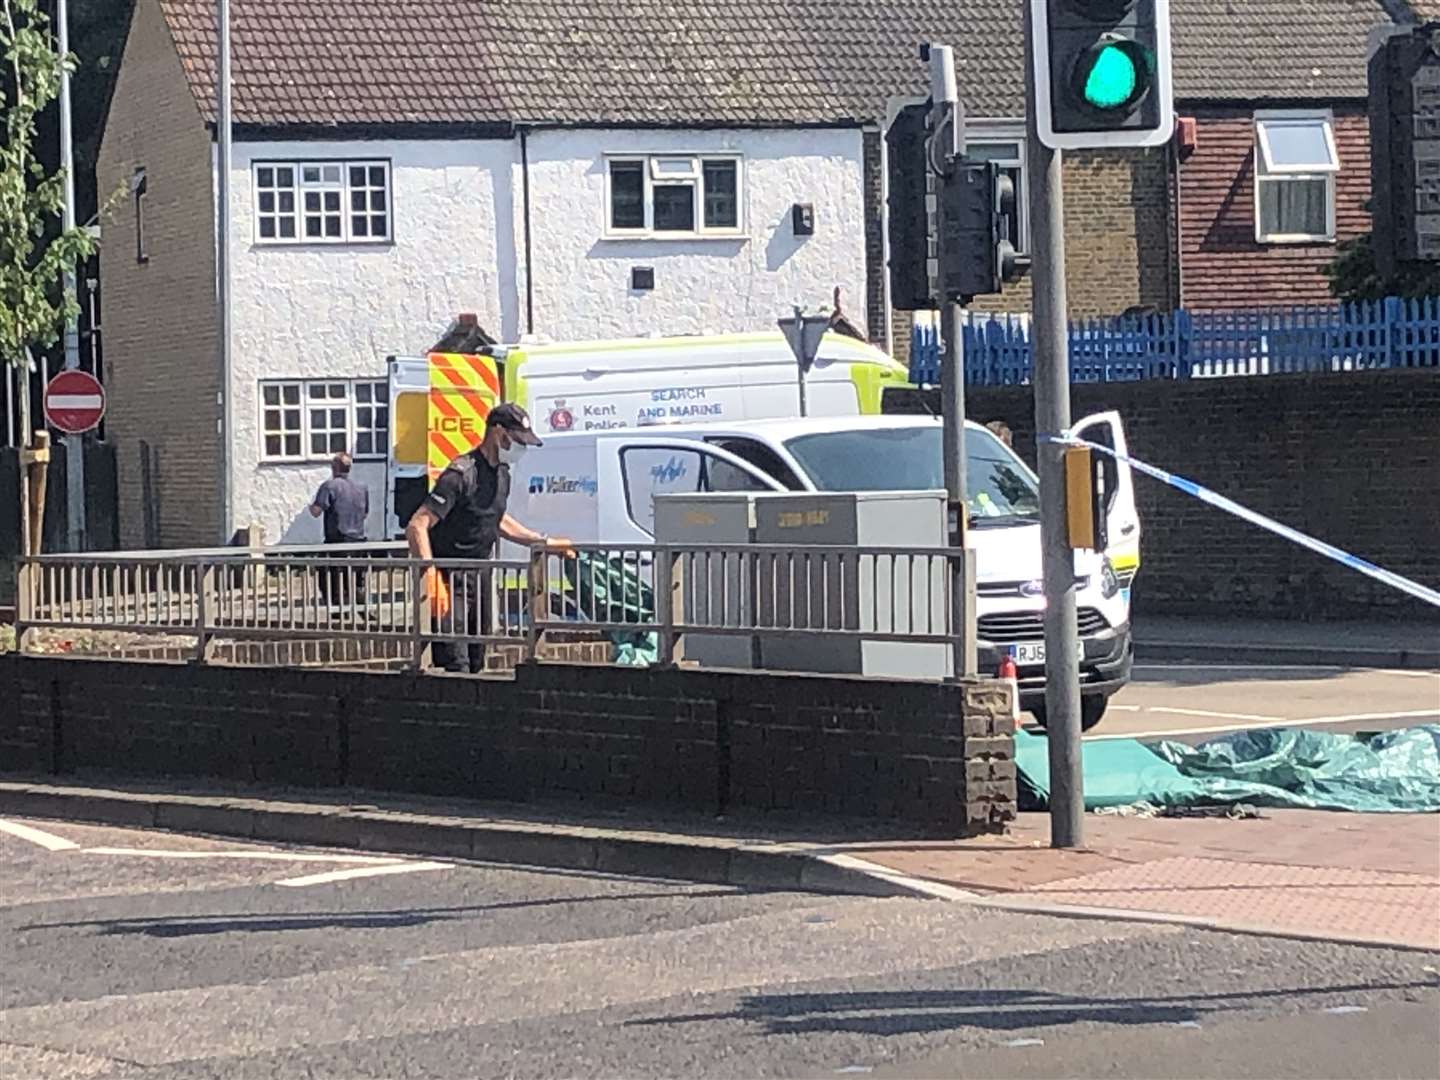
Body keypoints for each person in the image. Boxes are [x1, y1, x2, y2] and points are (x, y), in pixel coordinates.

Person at [406, 403, 572, 673]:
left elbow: (496, 519)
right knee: (454, 661)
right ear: (498, 432)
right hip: (451, 577)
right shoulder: (460, 474)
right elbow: (417, 525)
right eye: (517, 440)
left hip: (480, 575)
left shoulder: (501, 475)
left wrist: (542, 541)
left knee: (476, 659)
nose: (521, 448)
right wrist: (430, 575)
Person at [309, 452, 369, 611]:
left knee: (328, 577)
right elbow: (366, 513)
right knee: (356, 580)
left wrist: (311, 505)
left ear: (334, 468)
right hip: (359, 542)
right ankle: (364, 613)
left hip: (337, 542)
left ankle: (337, 613)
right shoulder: (361, 488)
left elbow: (316, 512)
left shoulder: (329, 486)